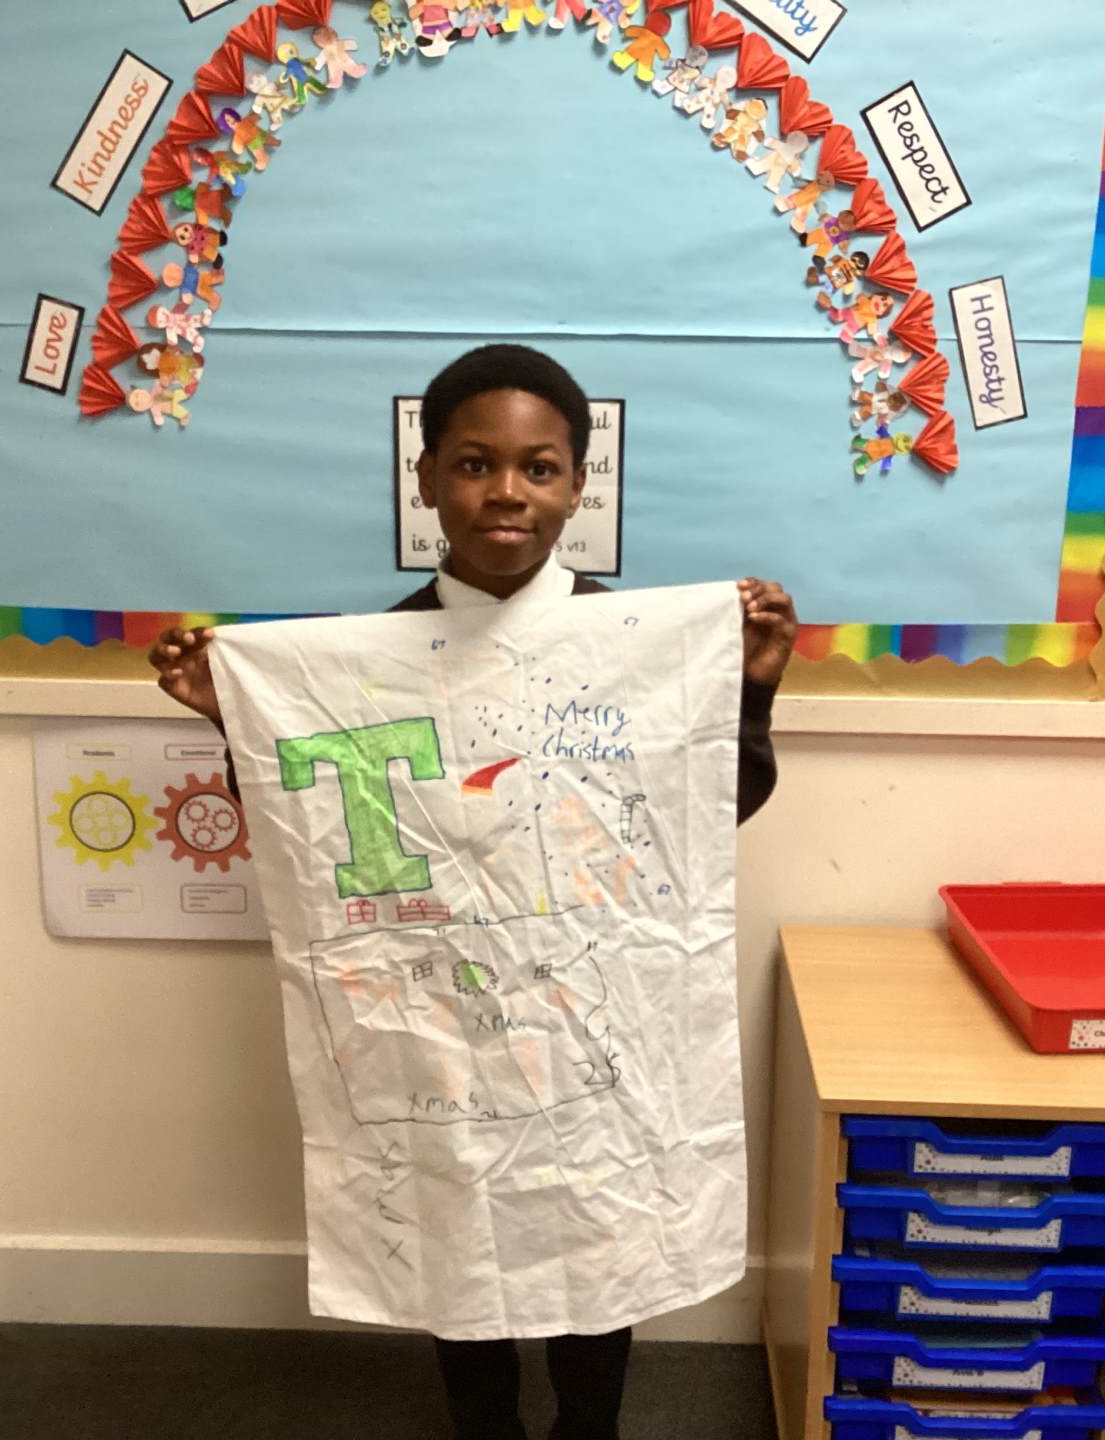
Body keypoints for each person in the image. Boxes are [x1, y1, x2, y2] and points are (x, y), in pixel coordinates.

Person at [148, 344, 797, 1440]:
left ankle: (589, 1428)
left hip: (596, 1004)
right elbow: (320, 832)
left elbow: (703, 816)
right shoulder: (361, 660)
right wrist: (236, 719)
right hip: (441, 1010)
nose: (507, 492)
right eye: (474, 463)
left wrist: (751, 695)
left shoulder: (640, 648)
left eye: (539, 468)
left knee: (597, 1214)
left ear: (579, 487)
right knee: (460, 1215)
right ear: (427, 479)